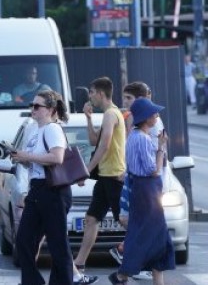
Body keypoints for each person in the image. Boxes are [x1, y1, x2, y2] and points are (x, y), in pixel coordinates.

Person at [11, 90, 73, 285]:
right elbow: (36, 163)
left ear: (50, 110)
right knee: (23, 240)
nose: (33, 109)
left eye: (37, 106)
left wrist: (27, 156)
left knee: (57, 245)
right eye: (32, 105)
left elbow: (57, 157)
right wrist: (20, 158)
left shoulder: (52, 129)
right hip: (37, 189)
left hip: (52, 191)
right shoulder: (35, 131)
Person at [108, 98, 174, 285]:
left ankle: (152, 279)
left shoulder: (133, 137)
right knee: (151, 235)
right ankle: (122, 274)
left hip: (142, 190)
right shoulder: (143, 139)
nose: (157, 116)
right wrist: (161, 148)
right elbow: (153, 169)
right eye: (154, 114)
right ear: (146, 118)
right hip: (147, 191)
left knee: (152, 235)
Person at [74, 77, 126, 275]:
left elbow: (104, 146)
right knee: (91, 218)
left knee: (124, 220)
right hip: (105, 176)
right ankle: (79, 263)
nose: (90, 97)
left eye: (92, 93)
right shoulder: (107, 115)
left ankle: (143, 256)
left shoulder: (112, 114)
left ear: (101, 94)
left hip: (113, 176)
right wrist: (88, 118)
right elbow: (95, 140)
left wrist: (85, 171)